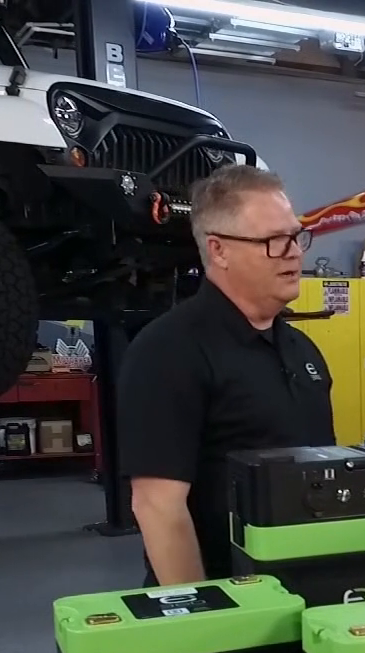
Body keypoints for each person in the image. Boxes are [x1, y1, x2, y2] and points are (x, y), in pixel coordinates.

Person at [118, 164, 335, 586]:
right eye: (273, 240)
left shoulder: (303, 351)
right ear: (218, 250)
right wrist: (206, 614)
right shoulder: (168, 351)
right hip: (225, 597)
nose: (293, 252)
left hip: (305, 592)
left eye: (296, 236)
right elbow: (158, 506)